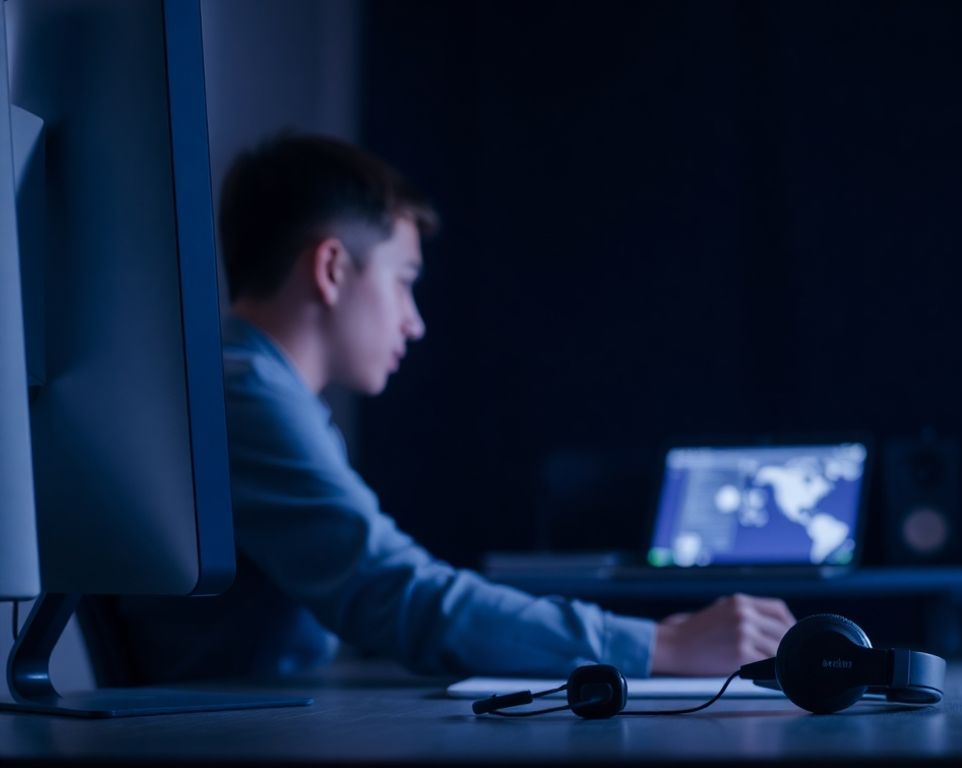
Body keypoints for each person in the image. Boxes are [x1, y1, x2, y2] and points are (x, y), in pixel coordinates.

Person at [114, 134, 796, 683]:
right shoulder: (245, 396)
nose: (414, 323)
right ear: (331, 269)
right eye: (403, 280)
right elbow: (394, 593)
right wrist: (660, 645)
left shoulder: (247, 388)